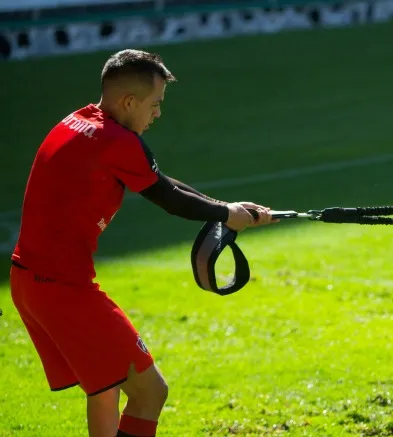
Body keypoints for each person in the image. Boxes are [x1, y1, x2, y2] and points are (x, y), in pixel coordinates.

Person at [9, 49, 277, 437]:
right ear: (129, 102)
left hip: (29, 282)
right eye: (154, 104)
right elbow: (169, 199)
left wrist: (227, 208)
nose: (158, 113)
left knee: (105, 388)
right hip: (62, 289)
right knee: (151, 392)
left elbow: (160, 182)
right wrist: (225, 214)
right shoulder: (116, 141)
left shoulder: (78, 121)